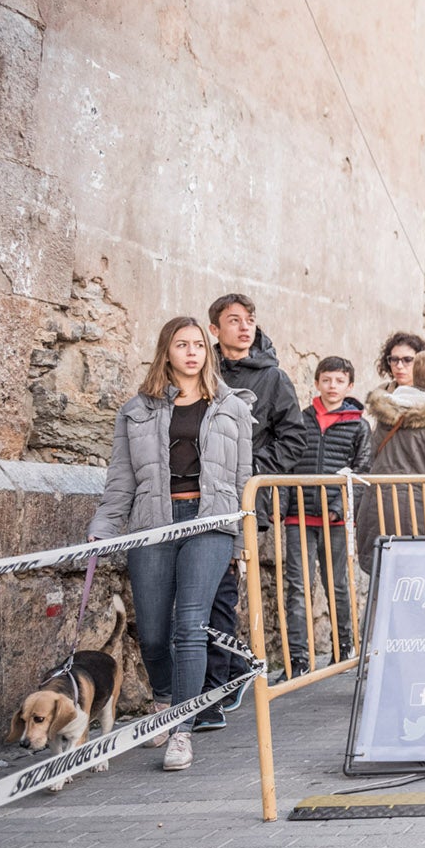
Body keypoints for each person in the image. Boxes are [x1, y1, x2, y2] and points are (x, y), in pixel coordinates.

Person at [88, 318, 255, 773]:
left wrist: (242, 541)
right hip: (153, 522)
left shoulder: (232, 407)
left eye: (199, 344)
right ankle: (164, 701)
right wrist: (104, 525)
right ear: (166, 351)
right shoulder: (136, 410)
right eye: (182, 345)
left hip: (210, 520)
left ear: (208, 351)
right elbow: (121, 477)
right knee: (156, 631)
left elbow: (244, 481)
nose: (192, 352)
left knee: (190, 625)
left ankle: (182, 729)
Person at [199, 294, 310, 728]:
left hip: (243, 503)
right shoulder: (199, 368)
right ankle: (231, 671)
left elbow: (293, 436)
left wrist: (253, 473)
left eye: (249, 320)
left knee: (223, 592)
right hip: (197, 496)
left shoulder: (273, 377)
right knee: (203, 594)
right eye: (233, 320)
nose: (245, 328)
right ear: (215, 329)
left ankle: (221, 684)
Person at [277, 356, 372, 680]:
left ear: (350, 386)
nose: (332, 386)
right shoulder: (299, 420)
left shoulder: (358, 425)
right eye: (327, 380)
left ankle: (344, 649)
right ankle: (299, 660)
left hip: (334, 519)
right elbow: (287, 462)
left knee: (338, 587)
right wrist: (285, 507)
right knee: (297, 587)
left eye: (339, 381)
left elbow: (362, 471)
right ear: (316, 383)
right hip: (298, 517)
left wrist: (337, 506)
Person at [359, 349, 425, 555]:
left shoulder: (386, 412)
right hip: (419, 510)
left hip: (378, 504)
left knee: (382, 573)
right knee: (417, 576)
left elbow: (372, 454)